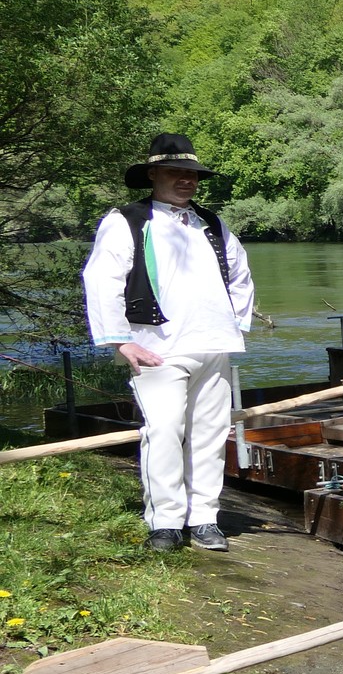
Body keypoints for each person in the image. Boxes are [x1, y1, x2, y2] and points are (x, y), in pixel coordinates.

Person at [82, 133, 257, 552]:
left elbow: (241, 276)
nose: (186, 180)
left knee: (210, 436)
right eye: (176, 172)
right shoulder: (127, 220)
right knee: (162, 432)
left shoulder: (211, 223)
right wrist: (120, 342)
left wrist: (233, 327)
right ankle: (164, 522)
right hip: (156, 348)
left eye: (192, 174)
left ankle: (204, 518)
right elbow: (101, 279)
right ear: (153, 174)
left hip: (213, 347)